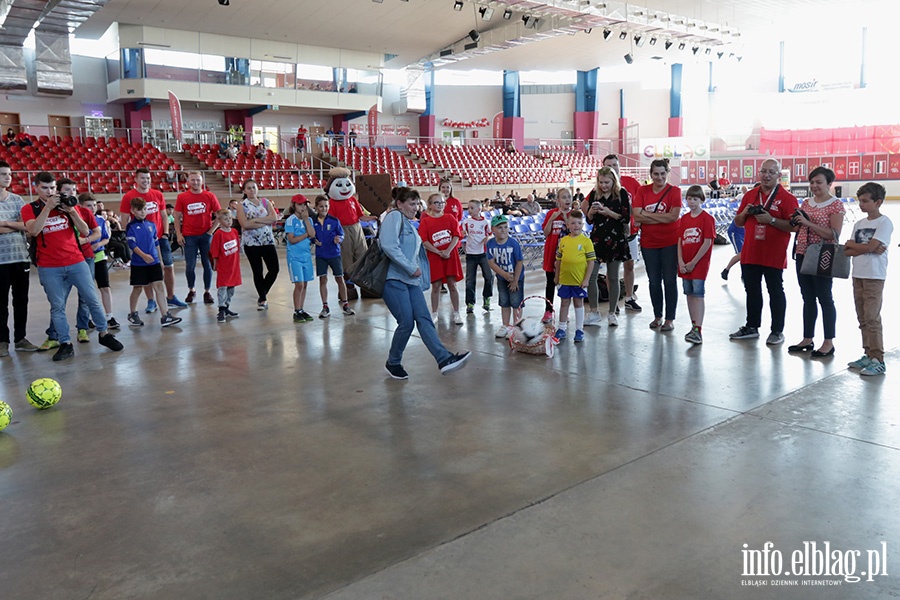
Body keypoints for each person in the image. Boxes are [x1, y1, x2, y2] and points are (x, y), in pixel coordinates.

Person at [21, 172, 123, 361]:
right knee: (57, 306)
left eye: (52, 188)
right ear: (36, 188)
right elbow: (33, 230)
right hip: (49, 266)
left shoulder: (67, 207)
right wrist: (47, 208)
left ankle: (104, 334)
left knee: (92, 299)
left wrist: (72, 211)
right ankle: (65, 343)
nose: (49, 192)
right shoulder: (30, 209)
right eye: (45, 188)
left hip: (76, 261)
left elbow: (85, 231)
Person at [379, 187, 470, 379]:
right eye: (411, 204)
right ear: (399, 204)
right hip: (394, 279)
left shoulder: (409, 222)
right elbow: (388, 246)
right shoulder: (394, 217)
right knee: (406, 322)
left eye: (416, 203)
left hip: (410, 280)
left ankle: (443, 358)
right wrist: (411, 268)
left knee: (424, 319)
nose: (415, 207)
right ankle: (393, 362)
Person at [729, 158, 799, 345]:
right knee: (751, 290)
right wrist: (744, 213)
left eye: (771, 172)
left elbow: (795, 227)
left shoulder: (787, 198)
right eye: (764, 171)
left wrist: (772, 220)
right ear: (759, 173)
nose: (767, 175)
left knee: (775, 291)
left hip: (773, 253)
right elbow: (738, 223)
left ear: (778, 175)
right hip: (751, 251)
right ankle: (752, 326)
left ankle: (777, 331)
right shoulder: (750, 195)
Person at [787, 167, 845, 357]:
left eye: (819, 182)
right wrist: (796, 221)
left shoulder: (835, 205)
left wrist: (808, 223)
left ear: (829, 184)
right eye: (812, 182)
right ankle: (807, 337)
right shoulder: (806, 202)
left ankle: (829, 341)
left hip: (823, 255)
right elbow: (799, 228)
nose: (814, 186)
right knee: (807, 297)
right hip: (803, 253)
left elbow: (834, 234)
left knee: (825, 298)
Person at [120, 168, 187, 313]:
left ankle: (170, 296)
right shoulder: (129, 197)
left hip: (159, 238)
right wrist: (133, 237)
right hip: (142, 242)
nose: (146, 181)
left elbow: (163, 215)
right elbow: (124, 219)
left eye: (148, 178)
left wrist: (165, 234)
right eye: (143, 178)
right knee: (146, 271)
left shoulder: (157, 194)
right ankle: (151, 301)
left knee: (168, 266)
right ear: (136, 179)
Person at [844, 182, 892, 376]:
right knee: (862, 317)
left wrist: (857, 246)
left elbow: (868, 247)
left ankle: (878, 359)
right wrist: (861, 246)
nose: (861, 205)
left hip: (874, 276)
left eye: (865, 201)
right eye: (859, 201)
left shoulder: (884, 223)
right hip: (858, 275)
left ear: (878, 202)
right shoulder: (858, 224)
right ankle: (867, 353)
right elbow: (847, 250)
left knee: (872, 318)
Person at [633, 158, 681, 331]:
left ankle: (670, 318)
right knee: (654, 281)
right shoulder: (643, 190)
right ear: (650, 174)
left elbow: (673, 217)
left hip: (670, 242)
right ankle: (657, 316)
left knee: (670, 280)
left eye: (662, 174)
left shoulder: (674, 191)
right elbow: (636, 216)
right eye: (656, 174)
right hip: (649, 244)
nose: (659, 177)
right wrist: (660, 218)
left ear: (668, 173)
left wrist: (646, 215)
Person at [56, 178, 102, 345]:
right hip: (62, 260)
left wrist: (85, 240)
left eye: (74, 190)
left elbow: (96, 233)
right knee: (60, 299)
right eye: (67, 189)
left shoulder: (84, 212)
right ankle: (54, 334)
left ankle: (82, 328)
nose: (71, 193)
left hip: (85, 257)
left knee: (85, 296)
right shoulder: (53, 211)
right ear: (59, 191)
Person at [125, 197, 182, 328]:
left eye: (144, 209)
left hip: (154, 262)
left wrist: (160, 260)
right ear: (133, 211)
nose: (142, 212)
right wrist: (144, 256)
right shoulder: (131, 226)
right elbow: (132, 244)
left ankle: (165, 315)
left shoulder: (151, 225)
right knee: (138, 288)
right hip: (139, 263)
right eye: (139, 210)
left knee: (159, 286)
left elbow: (156, 243)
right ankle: (133, 313)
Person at [584, 166, 631, 327]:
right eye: (601, 182)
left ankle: (612, 312)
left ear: (613, 181)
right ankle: (594, 311)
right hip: (597, 239)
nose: (604, 185)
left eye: (607, 182)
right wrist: (590, 212)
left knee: (613, 277)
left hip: (615, 239)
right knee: (591, 277)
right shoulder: (594, 194)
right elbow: (589, 220)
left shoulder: (621, 193)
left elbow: (625, 218)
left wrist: (607, 212)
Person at [0, 160, 37, 355]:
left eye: (9, 174)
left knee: (21, 300)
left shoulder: (17, 200)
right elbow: (21, 225)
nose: (8, 177)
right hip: (1, 261)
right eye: (3, 174)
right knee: (1, 303)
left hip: (20, 257)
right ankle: (2, 341)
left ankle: (21, 338)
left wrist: (5, 223)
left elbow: (28, 227)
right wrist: (16, 224)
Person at [322, 167, 377, 298]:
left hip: (356, 228)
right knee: (346, 259)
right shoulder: (332, 204)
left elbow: (360, 215)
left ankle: (365, 286)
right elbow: (330, 222)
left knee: (362, 255)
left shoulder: (353, 200)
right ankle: (349, 288)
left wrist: (373, 218)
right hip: (342, 230)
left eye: (347, 184)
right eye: (340, 185)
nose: (345, 188)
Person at [601, 154, 641, 312]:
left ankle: (629, 298)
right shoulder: (601, 186)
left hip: (629, 233)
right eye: (608, 165)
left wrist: (639, 218)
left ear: (619, 166)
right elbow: (586, 205)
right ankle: (613, 302)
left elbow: (641, 201)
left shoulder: (631, 182)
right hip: (611, 235)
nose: (612, 168)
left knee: (629, 265)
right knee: (612, 269)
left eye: (614, 165)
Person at [174, 171, 221, 304]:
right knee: (190, 265)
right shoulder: (182, 197)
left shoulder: (209, 196)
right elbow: (177, 217)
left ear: (202, 181)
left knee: (207, 264)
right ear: (188, 182)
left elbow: (219, 215)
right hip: (189, 236)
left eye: (198, 180)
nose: (195, 182)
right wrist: (179, 233)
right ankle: (192, 289)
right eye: (193, 180)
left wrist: (211, 232)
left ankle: (207, 291)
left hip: (205, 236)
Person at [677, 186, 716, 345]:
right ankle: (693, 325)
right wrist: (680, 260)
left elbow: (707, 242)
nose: (692, 202)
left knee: (698, 294)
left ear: (701, 200)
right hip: (685, 264)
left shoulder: (707, 219)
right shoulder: (684, 219)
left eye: (695, 199)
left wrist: (693, 262)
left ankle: (698, 329)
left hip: (698, 264)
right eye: (689, 199)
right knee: (689, 294)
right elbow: (680, 240)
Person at [418, 193, 464, 325]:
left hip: (450, 255)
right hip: (435, 256)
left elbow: (456, 235)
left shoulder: (450, 217)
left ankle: (456, 313)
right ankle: (434, 313)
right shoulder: (426, 221)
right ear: (430, 205)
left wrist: (448, 251)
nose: (440, 205)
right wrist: (438, 252)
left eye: (442, 202)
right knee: (436, 286)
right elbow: (424, 240)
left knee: (452, 284)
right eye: (437, 202)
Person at [236, 179, 279, 310]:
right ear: (244, 191)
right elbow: (245, 224)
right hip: (251, 244)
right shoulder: (241, 205)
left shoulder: (266, 202)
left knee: (274, 269)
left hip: (267, 241)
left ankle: (262, 292)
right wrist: (264, 221)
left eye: (253, 187)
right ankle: (263, 299)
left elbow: (274, 218)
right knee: (258, 271)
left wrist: (255, 221)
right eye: (248, 188)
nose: (251, 190)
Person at [80, 193, 119, 330]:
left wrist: (97, 244)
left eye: (94, 205)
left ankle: (109, 316)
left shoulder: (101, 220)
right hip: (83, 258)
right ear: (81, 206)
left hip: (99, 256)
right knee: (87, 291)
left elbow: (106, 238)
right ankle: (88, 318)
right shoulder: (78, 220)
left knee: (105, 287)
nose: (92, 208)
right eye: (88, 205)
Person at [311, 194, 355, 318]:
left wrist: (338, 239)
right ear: (316, 207)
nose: (323, 208)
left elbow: (341, 234)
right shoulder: (312, 222)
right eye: (321, 206)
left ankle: (345, 305)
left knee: (340, 279)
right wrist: (314, 240)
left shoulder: (334, 221)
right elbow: (310, 236)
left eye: (326, 206)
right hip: (321, 255)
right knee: (323, 279)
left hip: (334, 254)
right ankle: (325, 306)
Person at [554, 210, 594, 343]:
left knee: (578, 303)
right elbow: (558, 260)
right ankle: (561, 328)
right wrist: (557, 276)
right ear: (568, 224)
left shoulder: (586, 241)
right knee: (564, 303)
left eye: (579, 223)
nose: (576, 225)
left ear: (583, 224)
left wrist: (586, 279)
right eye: (573, 223)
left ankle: (579, 330)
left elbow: (591, 262)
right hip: (565, 279)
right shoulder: (564, 240)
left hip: (579, 280)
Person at [486, 215, 524, 339]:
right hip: (502, 278)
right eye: (500, 227)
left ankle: (516, 327)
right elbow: (491, 262)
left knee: (516, 302)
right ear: (493, 230)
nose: (503, 230)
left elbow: (519, 262)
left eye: (505, 227)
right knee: (504, 302)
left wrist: (515, 281)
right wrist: (504, 274)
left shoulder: (513, 243)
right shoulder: (491, 243)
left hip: (516, 278)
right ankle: (506, 325)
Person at [541, 188, 573, 320]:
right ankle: (548, 310)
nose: (567, 200)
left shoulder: (573, 214)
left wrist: (566, 219)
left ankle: (565, 310)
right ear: (558, 200)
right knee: (550, 283)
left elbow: (574, 232)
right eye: (564, 197)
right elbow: (546, 233)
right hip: (551, 253)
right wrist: (551, 219)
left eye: (569, 197)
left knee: (566, 283)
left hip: (567, 255)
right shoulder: (551, 213)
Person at [284, 195, 316, 323]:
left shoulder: (308, 219)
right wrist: (306, 234)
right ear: (294, 206)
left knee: (305, 283)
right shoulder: (291, 220)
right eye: (300, 204)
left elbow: (313, 234)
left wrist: (306, 221)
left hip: (306, 256)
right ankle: (296, 310)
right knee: (299, 284)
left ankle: (301, 309)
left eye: (304, 204)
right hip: (295, 256)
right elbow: (292, 239)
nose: (303, 207)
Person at [209, 209, 242, 323]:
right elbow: (215, 251)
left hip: (234, 265)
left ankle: (227, 306)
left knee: (231, 287)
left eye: (230, 219)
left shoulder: (234, 232)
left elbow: (237, 248)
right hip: (224, 265)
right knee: (223, 286)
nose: (228, 221)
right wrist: (215, 263)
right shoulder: (218, 234)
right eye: (225, 219)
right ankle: (221, 308)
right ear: (219, 220)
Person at [461, 198, 493, 314]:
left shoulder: (485, 222)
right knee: (470, 280)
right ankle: (470, 303)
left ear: (479, 209)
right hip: (470, 254)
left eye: (472, 208)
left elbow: (489, 234)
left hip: (483, 254)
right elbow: (462, 232)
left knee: (489, 277)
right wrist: (462, 233)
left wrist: (487, 238)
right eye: (468, 208)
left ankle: (487, 298)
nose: (469, 210)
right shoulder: (467, 222)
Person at [722, 185, 751, 280]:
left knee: (747, 253)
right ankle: (726, 269)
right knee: (742, 253)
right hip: (736, 231)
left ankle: (744, 273)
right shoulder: (745, 202)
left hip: (744, 230)